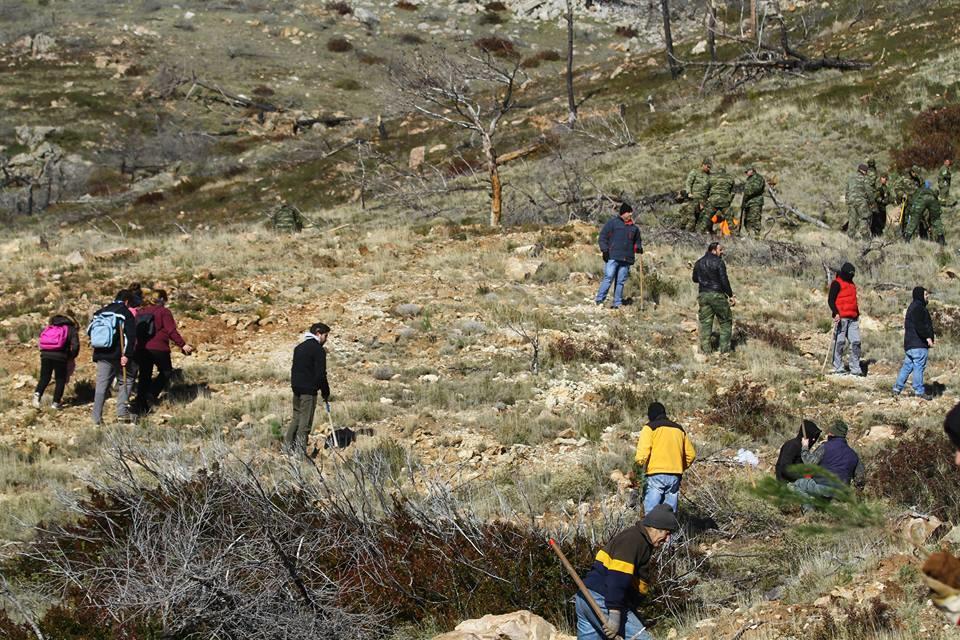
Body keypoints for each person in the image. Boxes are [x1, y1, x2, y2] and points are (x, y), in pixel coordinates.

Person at [576, 504, 679, 640]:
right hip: (602, 600)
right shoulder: (634, 540)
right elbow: (617, 577)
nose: (667, 540)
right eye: (667, 533)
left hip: (585, 597)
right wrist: (614, 614)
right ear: (655, 528)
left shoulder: (639, 540)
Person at [134, 290, 194, 413]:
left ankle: (140, 404)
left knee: (144, 375)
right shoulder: (163, 312)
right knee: (166, 371)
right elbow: (171, 330)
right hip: (158, 347)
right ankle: (151, 393)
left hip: (141, 348)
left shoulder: (140, 312)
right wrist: (182, 345)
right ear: (161, 299)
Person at [634, 402, 696, 514]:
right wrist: (679, 467)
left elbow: (641, 457)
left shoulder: (649, 428)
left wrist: (637, 473)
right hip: (675, 476)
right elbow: (691, 455)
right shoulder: (679, 429)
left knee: (651, 515)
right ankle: (669, 531)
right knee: (669, 515)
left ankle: (650, 531)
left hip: (655, 475)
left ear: (650, 415)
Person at [90, 290, 137, 425]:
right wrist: (127, 355)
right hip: (118, 354)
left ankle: (96, 418)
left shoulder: (100, 312)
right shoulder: (125, 313)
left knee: (102, 385)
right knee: (127, 379)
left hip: (101, 353)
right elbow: (130, 336)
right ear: (127, 301)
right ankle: (122, 412)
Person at [285, 322, 331, 456]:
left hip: (296, 387)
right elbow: (321, 374)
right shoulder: (318, 350)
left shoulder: (299, 347)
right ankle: (300, 454)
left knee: (296, 418)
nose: (326, 339)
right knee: (305, 423)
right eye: (325, 335)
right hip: (308, 390)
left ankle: (287, 449)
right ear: (318, 333)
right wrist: (325, 392)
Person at [793, 419, 866, 499]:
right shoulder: (853, 454)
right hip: (842, 493)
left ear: (832, 434)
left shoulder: (824, 447)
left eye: (829, 431)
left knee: (796, 485)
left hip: (823, 488)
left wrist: (805, 447)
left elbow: (809, 463)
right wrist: (858, 493)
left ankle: (809, 510)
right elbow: (860, 478)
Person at [595, 203, 643, 310]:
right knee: (608, 278)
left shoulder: (634, 228)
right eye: (628, 212)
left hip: (626, 259)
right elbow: (602, 237)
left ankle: (617, 303)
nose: (630, 214)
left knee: (620, 281)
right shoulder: (612, 223)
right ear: (623, 213)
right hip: (612, 256)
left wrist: (638, 247)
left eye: (631, 212)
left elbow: (637, 241)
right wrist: (605, 250)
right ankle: (600, 300)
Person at [892, 287, 935, 401]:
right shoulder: (919, 308)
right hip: (918, 344)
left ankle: (897, 389)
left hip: (910, 344)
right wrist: (928, 337)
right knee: (918, 366)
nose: (927, 297)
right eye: (926, 295)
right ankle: (919, 391)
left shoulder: (912, 307)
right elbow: (920, 325)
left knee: (907, 366)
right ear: (920, 295)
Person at [693, 242, 735, 354]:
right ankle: (724, 350)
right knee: (725, 321)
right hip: (717, 295)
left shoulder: (698, 262)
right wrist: (730, 295)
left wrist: (704, 279)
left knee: (705, 323)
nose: (722, 252)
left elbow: (695, 279)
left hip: (703, 295)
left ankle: (706, 351)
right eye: (720, 250)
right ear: (713, 250)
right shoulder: (719, 262)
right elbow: (724, 281)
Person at [33, 314, 80, 410]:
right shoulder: (71, 329)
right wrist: (71, 356)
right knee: (60, 379)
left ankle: (37, 395)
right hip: (60, 356)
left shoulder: (51, 326)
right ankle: (55, 403)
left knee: (45, 377)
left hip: (45, 354)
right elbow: (75, 346)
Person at [827, 262, 862, 376]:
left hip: (853, 318)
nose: (852, 276)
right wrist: (836, 313)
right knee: (840, 342)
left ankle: (855, 368)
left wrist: (857, 314)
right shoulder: (836, 283)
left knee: (856, 342)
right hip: (841, 318)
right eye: (850, 274)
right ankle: (838, 366)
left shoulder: (852, 284)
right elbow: (831, 300)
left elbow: (853, 301)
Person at [903, 180, 945, 245]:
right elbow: (937, 198)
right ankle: (942, 240)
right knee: (936, 219)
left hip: (922, 199)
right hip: (932, 198)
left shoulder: (918, 190)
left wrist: (911, 212)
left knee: (914, 218)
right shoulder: (932, 188)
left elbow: (913, 202)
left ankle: (907, 239)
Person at [682, 158, 712, 232]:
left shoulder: (709, 175)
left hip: (703, 200)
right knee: (691, 218)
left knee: (701, 219)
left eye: (710, 167)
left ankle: (698, 234)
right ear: (703, 165)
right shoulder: (695, 172)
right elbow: (688, 183)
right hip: (694, 199)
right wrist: (689, 193)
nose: (709, 169)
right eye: (707, 167)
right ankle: (685, 233)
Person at [704, 166, 735, 234]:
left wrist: (707, 199)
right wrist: (729, 201)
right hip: (725, 201)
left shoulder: (711, 178)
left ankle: (702, 234)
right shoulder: (730, 178)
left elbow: (706, 189)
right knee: (730, 220)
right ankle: (735, 236)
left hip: (713, 201)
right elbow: (732, 192)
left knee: (706, 218)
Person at [845, 164, 872, 240]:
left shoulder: (850, 178)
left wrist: (847, 201)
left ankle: (850, 237)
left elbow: (847, 190)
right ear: (863, 171)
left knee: (852, 219)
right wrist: (872, 202)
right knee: (864, 218)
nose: (866, 173)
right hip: (861, 202)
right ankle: (865, 237)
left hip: (851, 201)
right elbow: (869, 192)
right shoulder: (864, 178)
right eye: (866, 171)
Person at [740, 167, 765, 235]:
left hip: (755, 202)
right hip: (748, 202)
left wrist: (747, 192)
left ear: (751, 170)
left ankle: (757, 236)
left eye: (747, 171)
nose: (746, 173)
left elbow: (756, 189)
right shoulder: (749, 179)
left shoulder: (758, 178)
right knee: (747, 220)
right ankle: (749, 235)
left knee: (755, 220)